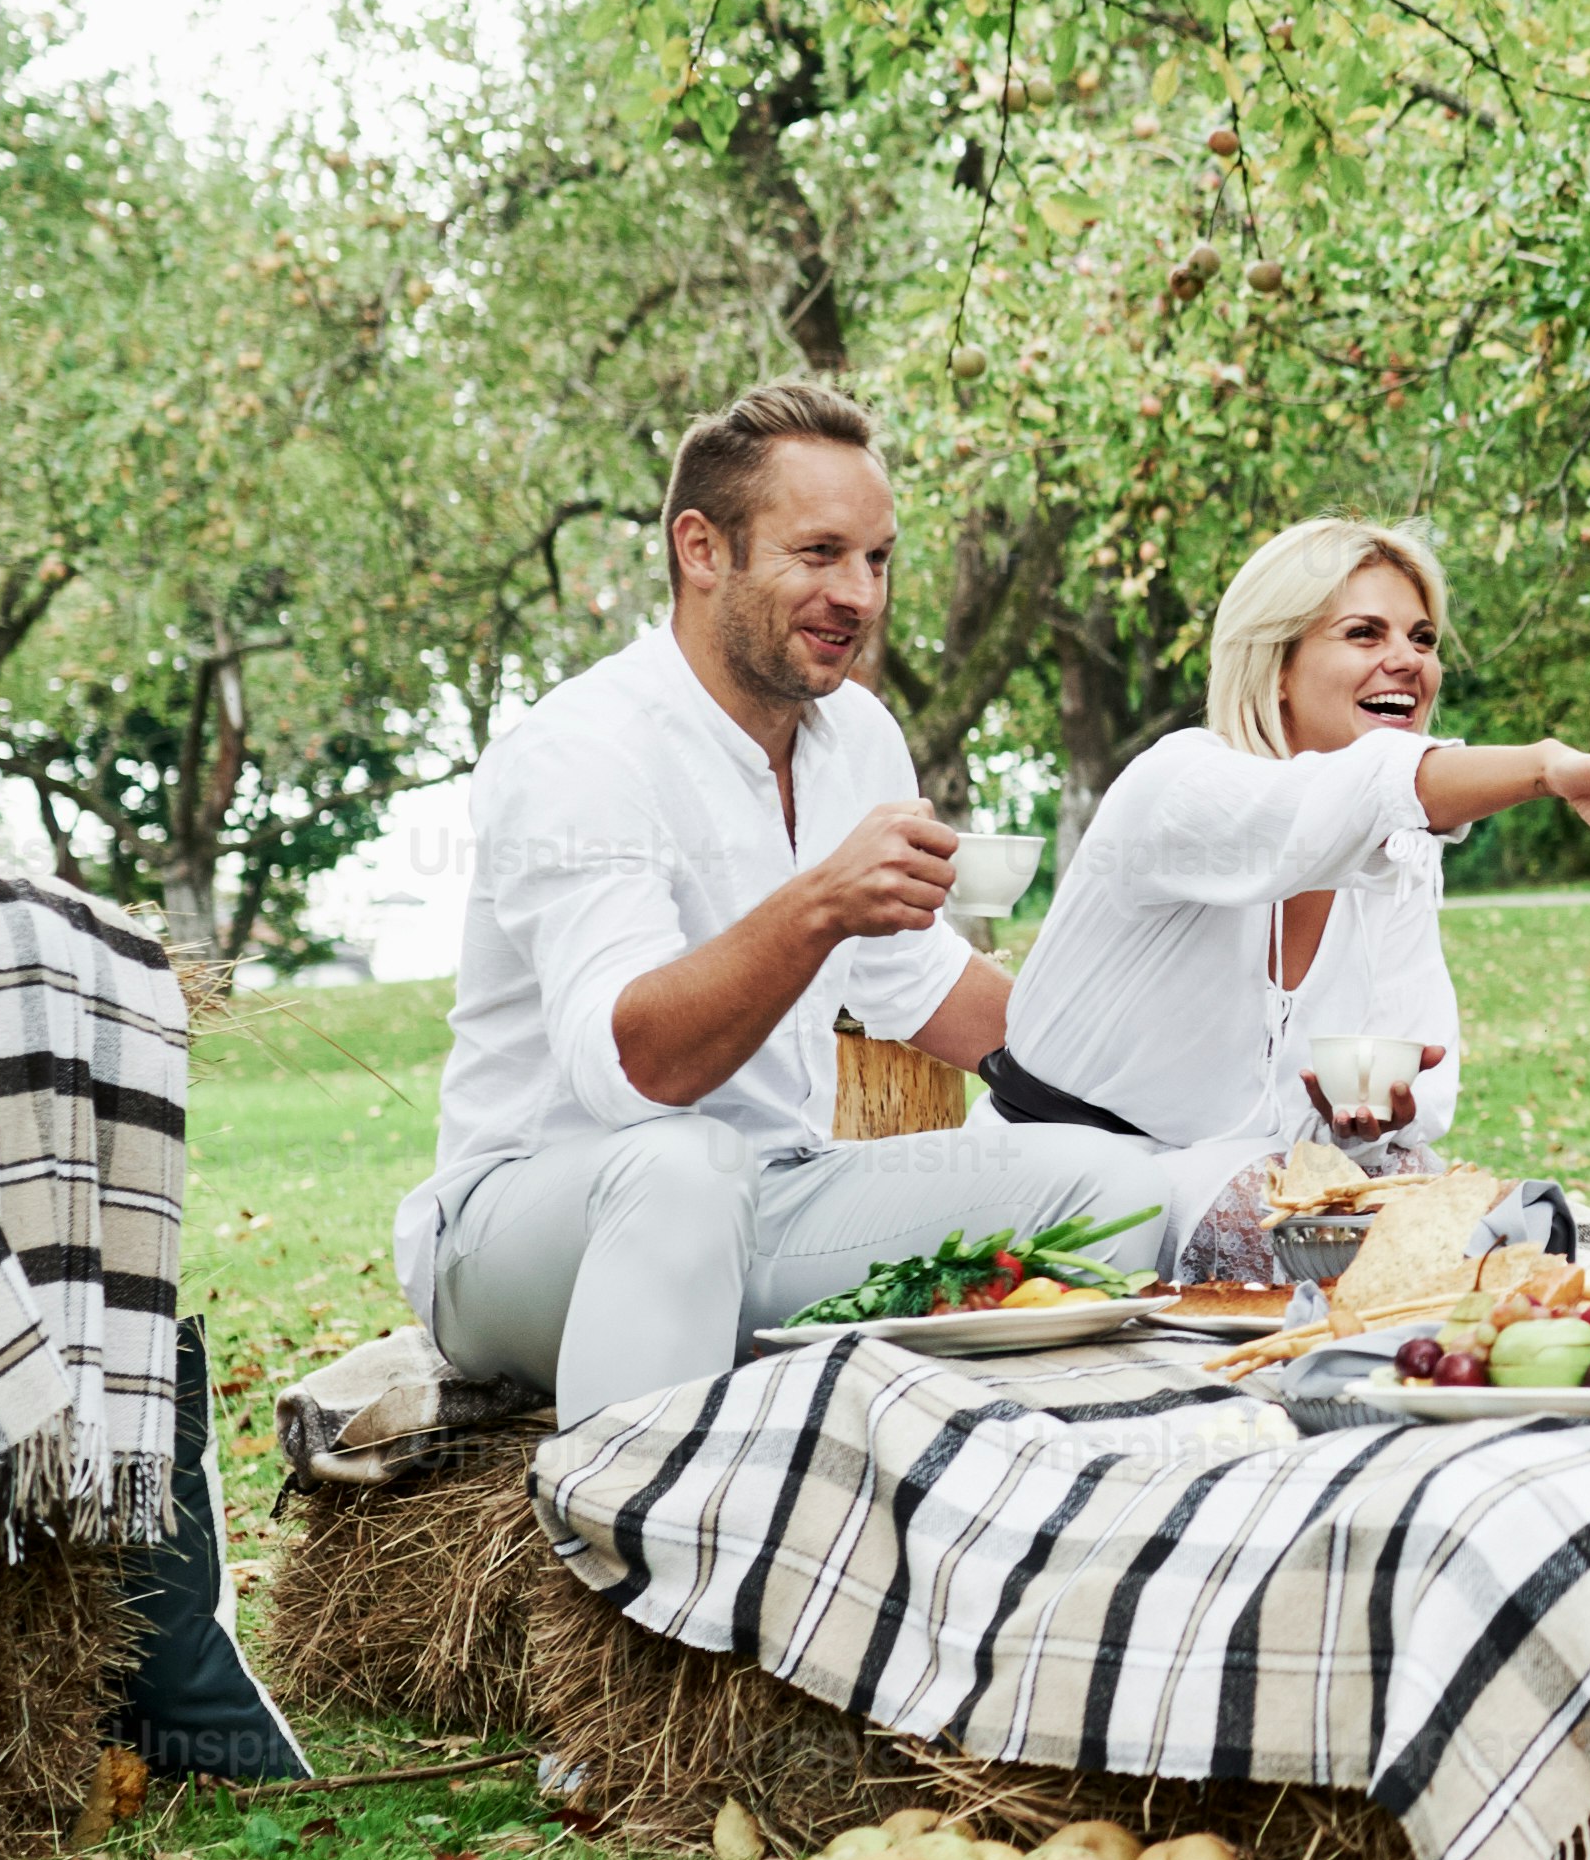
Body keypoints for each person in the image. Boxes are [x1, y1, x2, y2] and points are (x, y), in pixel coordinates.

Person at [394, 382, 1188, 1426]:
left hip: (776, 1196)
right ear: (701, 548)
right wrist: (816, 903)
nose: (858, 593)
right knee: (686, 1167)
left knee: (1120, 1186)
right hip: (526, 1234)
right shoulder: (581, 750)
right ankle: (625, 1539)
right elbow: (638, 1069)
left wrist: (1166, 1090)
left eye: (878, 558)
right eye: (819, 554)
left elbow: (921, 981)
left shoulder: (857, 735)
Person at [987, 518, 1590, 1162]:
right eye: (1363, 634)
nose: (1408, 659)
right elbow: (1350, 795)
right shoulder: (1179, 788)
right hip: (1054, 1195)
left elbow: (1406, 1091)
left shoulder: (1402, 855)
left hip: (1249, 1204)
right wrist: (1545, 769)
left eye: (1423, 638)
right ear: (1276, 667)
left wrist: (1370, 1124)